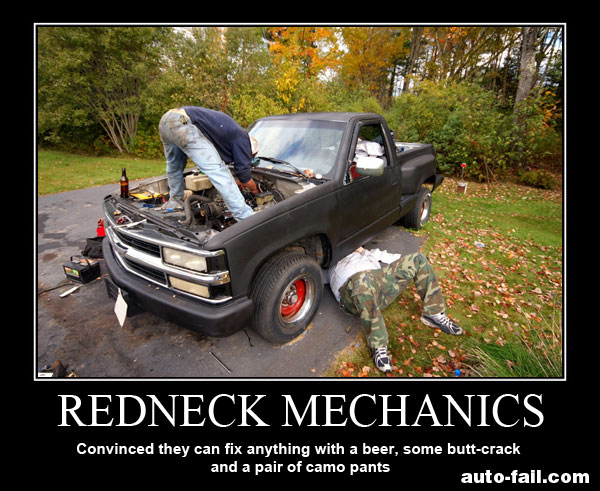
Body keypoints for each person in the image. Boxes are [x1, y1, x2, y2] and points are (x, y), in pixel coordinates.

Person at [328, 247, 463, 373]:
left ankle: (433, 313)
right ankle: (379, 345)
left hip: (378, 286)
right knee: (362, 281)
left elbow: (384, 256)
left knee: (418, 259)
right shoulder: (331, 262)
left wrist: (362, 251)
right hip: (353, 296)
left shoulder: (364, 252)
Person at [158, 106, 259, 220]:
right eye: (250, 156)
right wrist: (254, 189)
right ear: (250, 150)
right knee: (219, 173)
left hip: (167, 120)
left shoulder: (230, 136)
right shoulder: (243, 139)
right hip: (183, 122)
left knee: (174, 166)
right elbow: (243, 175)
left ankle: (175, 200)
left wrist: (236, 182)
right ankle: (245, 217)